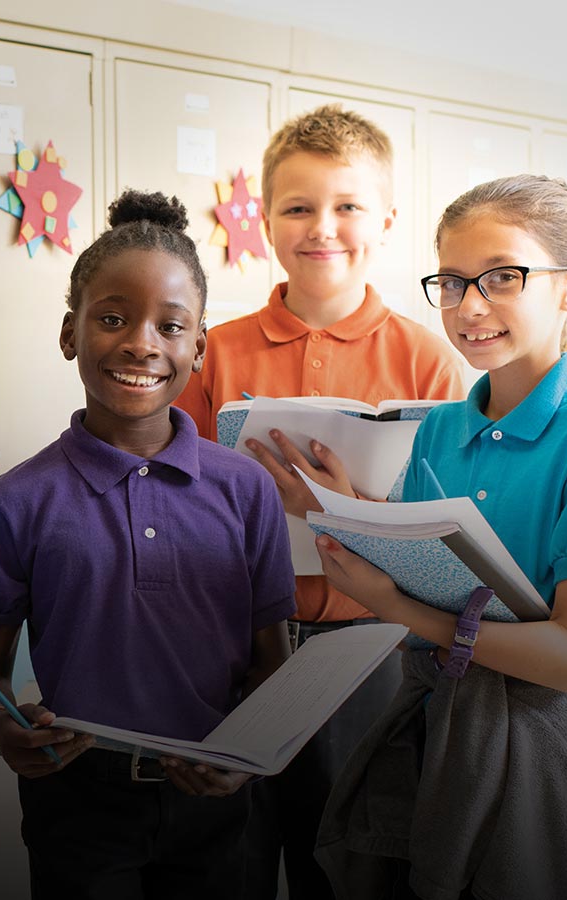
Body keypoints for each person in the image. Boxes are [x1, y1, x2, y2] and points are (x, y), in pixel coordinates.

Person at [313, 174, 567, 899]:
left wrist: (399, 607)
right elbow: (420, 570)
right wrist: (342, 515)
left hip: (550, 759)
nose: (469, 306)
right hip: (438, 737)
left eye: (503, 277)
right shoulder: (437, 428)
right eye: (452, 281)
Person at [0, 189, 296, 900]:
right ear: (69, 333)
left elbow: (274, 666)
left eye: (170, 327)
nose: (141, 343)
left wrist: (246, 756)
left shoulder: (248, 490)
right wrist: (1, 729)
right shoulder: (17, 501)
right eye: (112, 319)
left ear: (198, 347)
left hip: (218, 801)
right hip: (78, 803)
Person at [172, 103, 465, 900]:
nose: (322, 227)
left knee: (349, 866)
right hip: (235, 649)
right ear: (263, 219)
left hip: (371, 652)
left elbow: (451, 535)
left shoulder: (429, 361)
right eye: (298, 207)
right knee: (227, 859)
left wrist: (344, 510)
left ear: (387, 220)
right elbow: (173, 497)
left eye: (347, 207)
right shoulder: (214, 349)